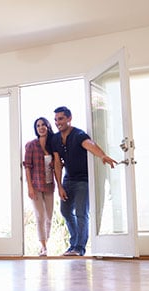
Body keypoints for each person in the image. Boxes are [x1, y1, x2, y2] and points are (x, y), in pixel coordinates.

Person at [51, 106, 116, 256]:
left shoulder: (78, 134)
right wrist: (59, 186)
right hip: (68, 180)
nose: (57, 122)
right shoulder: (55, 139)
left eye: (60, 119)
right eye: (55, 120)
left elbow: (90, 145)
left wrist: (103, 156)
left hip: (83, 181)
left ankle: (79, 248)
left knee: (81, 213)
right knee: (65, 211)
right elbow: (56, 164)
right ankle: (73, 243)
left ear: (69, 118)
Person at [24, 117, 55, 256]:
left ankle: (45, 242)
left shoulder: (53, 145)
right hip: (36, 185)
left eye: (43, 125)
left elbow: (59, 165)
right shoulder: (31, 145)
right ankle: (43, 247)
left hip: (49, 185)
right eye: (38, 126)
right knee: (40, 216)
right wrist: (30, 187)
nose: (41, 127)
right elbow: (27, 167)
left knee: (49, 216)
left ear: (48, 127)